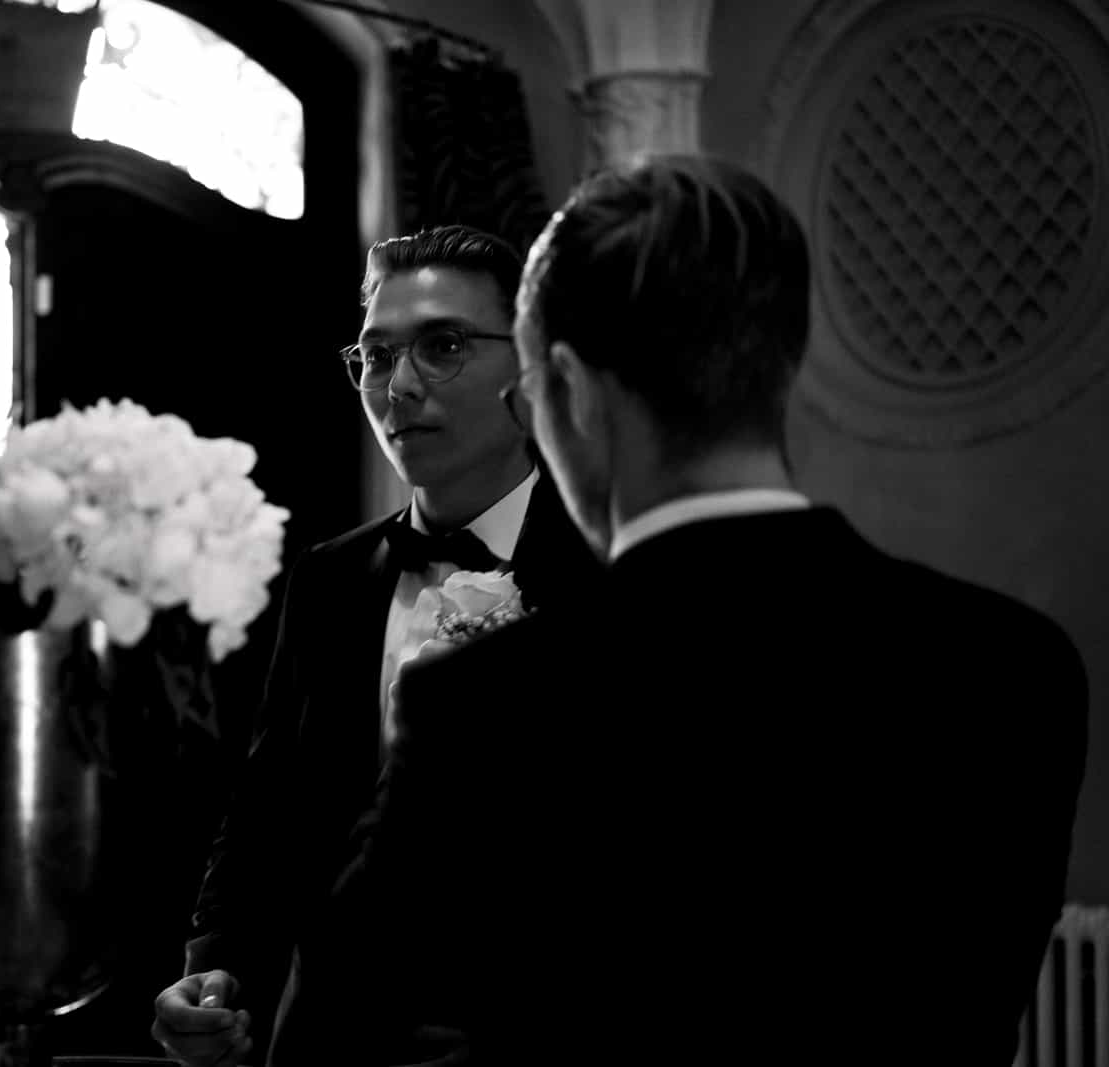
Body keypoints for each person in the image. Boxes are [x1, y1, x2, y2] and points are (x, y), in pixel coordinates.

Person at [325, 155, 1089, 1065]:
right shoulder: (1017, 666)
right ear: (780, 364)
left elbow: (335, 1030)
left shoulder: (483, 705)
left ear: (567, 390)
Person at [150, 225, 601, 1066]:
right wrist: (211, 976)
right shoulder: (330, 581)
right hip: (331, 1056)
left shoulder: (603, 570)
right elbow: (263, 817)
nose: (400, 386)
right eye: (376, 354)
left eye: (444, 346)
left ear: (532, 366)